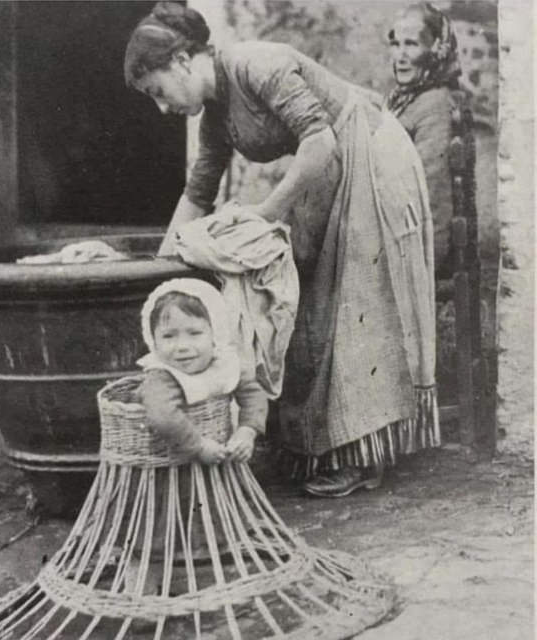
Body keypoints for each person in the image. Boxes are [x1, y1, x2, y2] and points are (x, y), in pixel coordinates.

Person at [124, 2, 440, 498]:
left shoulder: (257, 63)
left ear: (184, 61)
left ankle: (364, 456)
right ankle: (326, 443)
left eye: (158, 92)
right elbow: (198, 191)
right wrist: (159, 273)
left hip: (373, 154)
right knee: (308, 296)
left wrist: (264, 216)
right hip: (333, 166)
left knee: (355, 300)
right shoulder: (216, 115)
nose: (162, 108)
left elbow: (321, 142)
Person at [128, 277, 268, 594]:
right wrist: (198, 445)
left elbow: (254, 394)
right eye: (168, 336)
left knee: (214, 524)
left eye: (195, 333)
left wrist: (247, 430)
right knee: (154, 532)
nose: (182, 346)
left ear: (214, 332)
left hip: (213, 468)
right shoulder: (162, 376)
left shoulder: (224, 363)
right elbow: (163, 417)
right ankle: (142, 594)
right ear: (153, 340)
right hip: (165, 470)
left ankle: (218, 581)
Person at [386, 2, 464, 274]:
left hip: (416, 246)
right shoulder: (406, 100)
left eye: (412, 44)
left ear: (436, 51)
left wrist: (420, 265)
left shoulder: (434, 105)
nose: (401, 55)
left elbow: (430, 193)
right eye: (395, 44)